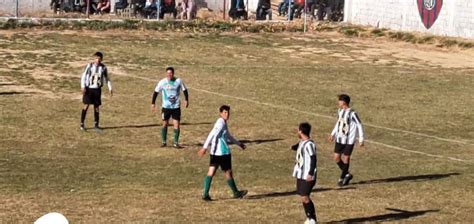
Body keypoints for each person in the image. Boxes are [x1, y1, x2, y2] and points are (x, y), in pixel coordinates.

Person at [197, 105, 247, 201]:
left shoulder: (223, 122)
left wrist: (238, 143)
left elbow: (228, 135)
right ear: (220, 113)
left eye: (228, 112)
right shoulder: (220, 123)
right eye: (224, 112)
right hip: (223, 153)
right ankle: (236, 192)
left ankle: (205, 194)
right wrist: (204, 148)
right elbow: (212, 134)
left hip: (215, 153)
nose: (227, 114)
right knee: (228, 172)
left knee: (211, 172)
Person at [328, 94, 364, 186]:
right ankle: (347, 174)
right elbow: (339, 123)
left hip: (349, 140)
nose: (338, 102)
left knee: (346, 158)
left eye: (339, 101)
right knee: (336, 157)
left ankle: (341, 178)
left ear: (343, 102)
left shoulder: (352, 114)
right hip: (340, 138)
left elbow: (359, 125)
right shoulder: (340, 111)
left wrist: (361, 138)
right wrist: (333, 133)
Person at [151, 67, 189, 148]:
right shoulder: (162, 82)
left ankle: (176, 143)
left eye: (170, 73)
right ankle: (164, 142)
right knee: (165, 124)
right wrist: (153, 103)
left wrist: (186, 100)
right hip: (166, 107)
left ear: (173, 73)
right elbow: (156, 92)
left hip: (176, 107)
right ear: (166, 74)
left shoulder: (178, 81)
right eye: (168, 73)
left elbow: (184, 90)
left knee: (177, 125)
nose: (169, 75)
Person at [292, 122, 317, 224]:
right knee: (303, 197)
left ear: (301, 131)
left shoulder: (309, 144)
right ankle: (309, 217)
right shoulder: (302, 142)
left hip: (307, 175)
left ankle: (313, 219)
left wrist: (310, 173)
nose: (298, 132)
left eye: (298, 130)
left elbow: (313, 159)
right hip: (300, 174)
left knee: (305, 196)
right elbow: (297, 147)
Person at [80, 52, 113, 131]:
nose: (97, 60)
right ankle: (82, 124)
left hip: (97, 89)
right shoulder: (90, 66)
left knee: (97, 107)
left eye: (99, 59)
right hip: (89, 89)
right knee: (86, 105)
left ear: (101, 59)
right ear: (94, 59)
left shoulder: (103, 68)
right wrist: (83, 86)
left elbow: (107, 78)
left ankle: (96, 125)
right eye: (96, 58)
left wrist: (110, 88)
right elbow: (84, 76)